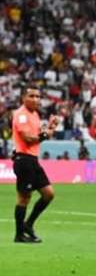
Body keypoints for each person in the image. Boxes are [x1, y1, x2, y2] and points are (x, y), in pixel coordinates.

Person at [11, 86, 59, 243]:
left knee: (48, 193)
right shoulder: (21, 115)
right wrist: (47, 133)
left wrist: (50, 127)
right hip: (24, 160)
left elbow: (41, 133)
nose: (36, 99)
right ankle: (19, 234)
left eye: (38, 96)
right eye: (32, 96)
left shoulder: (35, 115)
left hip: (32, 160)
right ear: (23, 98)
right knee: (24, 198)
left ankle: (28, 224)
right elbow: (28, 138)